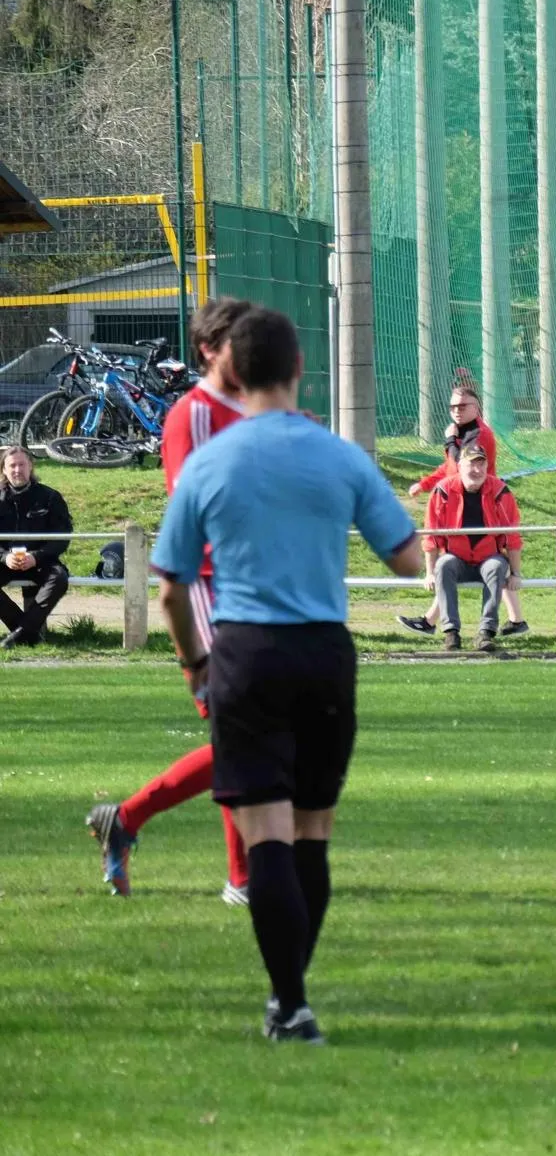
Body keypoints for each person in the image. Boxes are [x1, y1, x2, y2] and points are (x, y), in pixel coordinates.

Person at [151, 304, 424, 1042]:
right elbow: (408, 560)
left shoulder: (209, 462)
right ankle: (288, 999)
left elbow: (172, 588)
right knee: (312, 834)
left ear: (233, 371)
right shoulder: (339, 455)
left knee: (265, 836)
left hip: (244, 653)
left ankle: (292, 1003)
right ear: (300, 368)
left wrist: (196, 662)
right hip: (324, 655)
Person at [87, 297, 253, 902]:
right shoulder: (193, 414)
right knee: (242, 738)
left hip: (250, 588)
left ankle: (126, 819)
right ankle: (243, 879)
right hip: (208, 586)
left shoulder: (251, 409)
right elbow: (198, 507)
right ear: (209, 350)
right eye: (240, 340)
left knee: (252, 738)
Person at [399, 377, 526, 638]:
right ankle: (514, 620)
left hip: (484, 499)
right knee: (459, 559)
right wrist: (425, 484)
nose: (456, 410)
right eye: (453, 406)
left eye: (462, 406)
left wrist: (449, 440)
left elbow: (463, 465)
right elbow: (449, 467)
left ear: (476, 408)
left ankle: (494, 625)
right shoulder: (462, 433)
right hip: (460, 496)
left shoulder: (480, 435)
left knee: (490, 558)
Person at [423, 443, 522, 652]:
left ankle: (486, 632)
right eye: (471, 464)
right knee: (444, 565)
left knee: (496, 566)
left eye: (481, 464)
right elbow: (431, 534)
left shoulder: (500, 491)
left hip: (489, 557)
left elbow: (512, 536)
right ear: (460, 466)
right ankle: (451, 633)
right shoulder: (443, 490)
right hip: (456, 558)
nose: (477, 470)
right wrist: (429, 572)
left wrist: (515, 573)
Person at [0, 443, 69, 648]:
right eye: (12, 466)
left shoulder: (50, 497)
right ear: (4, 470)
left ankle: (21, 634)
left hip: (40, 561)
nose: (17, 470)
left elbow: (62, 538)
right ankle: (27, 632)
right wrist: (4, 557)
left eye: (22, 465)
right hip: (5, 561)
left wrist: (36, 557)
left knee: (59, 578)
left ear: (31, 466)